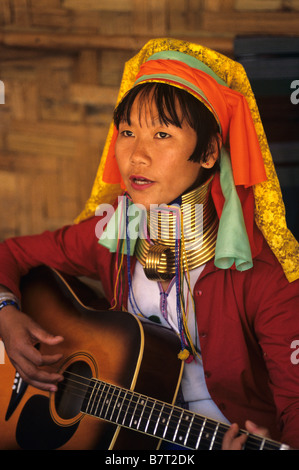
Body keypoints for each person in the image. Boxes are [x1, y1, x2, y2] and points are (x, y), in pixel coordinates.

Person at [0, 38, 299, 450]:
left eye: (161, 134)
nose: (136, 156)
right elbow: (9, 254)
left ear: (209, 151)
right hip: (122, 437)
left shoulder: (267, 274)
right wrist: (5, 313)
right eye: (127, 132)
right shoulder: (114, 234)